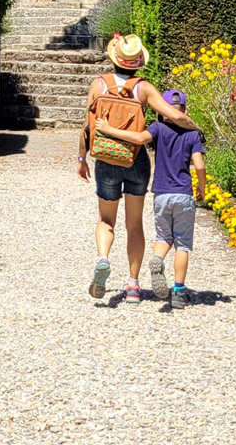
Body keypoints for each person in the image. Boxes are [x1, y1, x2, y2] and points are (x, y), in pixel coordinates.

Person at [76, 33, 194, 303]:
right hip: (135, 159)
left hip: (106, 158)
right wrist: (195, 127)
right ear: (138, 62)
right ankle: (132, 286)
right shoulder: (144, 88)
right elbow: (173, 115)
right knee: (134, 225)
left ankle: (103, 259)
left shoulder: (98, 85)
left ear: (114, 58)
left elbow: (86, 127)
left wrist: (82, 158)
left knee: (106, 220)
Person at [93, 86, 206, 309]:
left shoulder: (158, 128)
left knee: (163, 237)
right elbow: (199, 166)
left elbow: (136, 137)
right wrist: (202, 186)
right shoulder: (193, 135)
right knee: (182, 244)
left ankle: (158, 258)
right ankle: (179, 292)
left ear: (162, 110)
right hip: (183, 194)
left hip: (162, 193)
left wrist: (107, 129)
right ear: (184, 110)